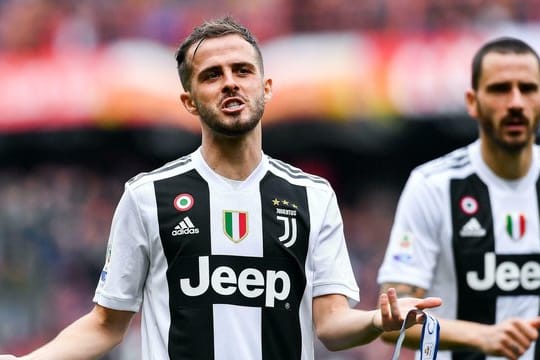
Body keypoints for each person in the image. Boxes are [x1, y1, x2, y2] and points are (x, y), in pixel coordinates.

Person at [0, 16, 441, 360]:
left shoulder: (312, 196)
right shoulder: (148, 196)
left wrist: (375, 323)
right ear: (189, 100)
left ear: (265, 88)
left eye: (243, 70)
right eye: (212, 75)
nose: (230, 81)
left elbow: (331, 324)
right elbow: (104, 325)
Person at [377, 36, 540, 360]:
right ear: (472, 101)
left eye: (528, 88)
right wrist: (483, 336)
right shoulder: (433, 185)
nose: (516, 102)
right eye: (499, 89)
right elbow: (393, 323)